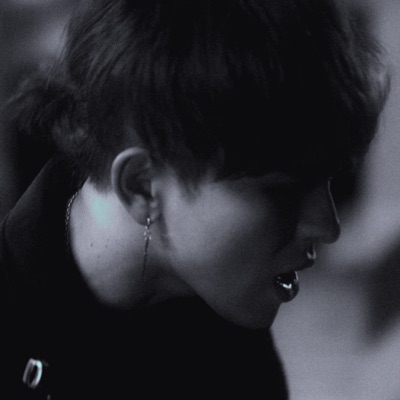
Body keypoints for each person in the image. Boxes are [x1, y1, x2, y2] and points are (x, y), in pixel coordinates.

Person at [0, 0, 387, 398]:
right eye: (283, 191)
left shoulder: (228, 342)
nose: (327, 227)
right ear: (142, 186)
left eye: (329, 180)